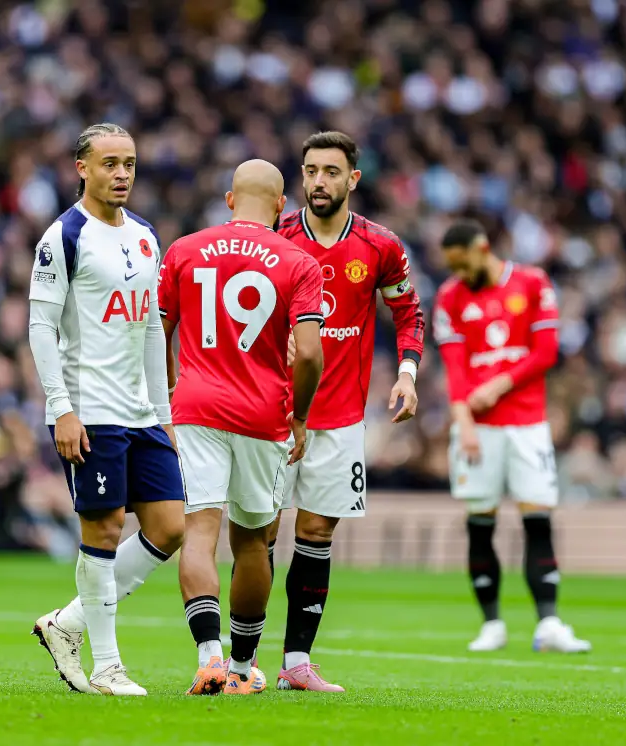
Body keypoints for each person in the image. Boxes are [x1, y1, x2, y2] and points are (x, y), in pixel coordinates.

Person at [262, 131, 425, 692]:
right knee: (258, 531)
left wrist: (407, 374)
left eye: (331, 172)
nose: (319, 182)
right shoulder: (276, 238)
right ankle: (240, 661)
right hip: (272, 414)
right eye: (310, 171)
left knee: (315, 533)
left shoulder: (380, 246)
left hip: (340, 418)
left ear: (353, 179)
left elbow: (409, 315)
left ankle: (295, 664)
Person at [28, 123, 184, 697]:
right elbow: (41, 328)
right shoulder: (63, 237)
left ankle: (66, 623)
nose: (122, 174)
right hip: (88, 407)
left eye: (130, 163)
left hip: (140, 410)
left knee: (170, 526)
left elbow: (149, 328)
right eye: (111, 163)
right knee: (106, 526)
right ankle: (107, 665)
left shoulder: (145, 235)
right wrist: (61, 408)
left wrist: (162, 409)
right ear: (82, 168)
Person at [162, 159, 326, 696]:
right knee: (253, 541)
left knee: (200, 530)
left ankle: (207, 658)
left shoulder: (184, 250)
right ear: (283, 206)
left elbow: (153, 333)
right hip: (262, 414)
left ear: (230, 200)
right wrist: (298, 416)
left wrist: (167, 394)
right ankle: (241, 665)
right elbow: (309, 354)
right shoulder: (299, 261)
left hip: (196, 408)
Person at [433, 219, 590, 653]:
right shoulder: (450, 297)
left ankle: (549, 624)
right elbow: (455, 369)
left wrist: (498, 385)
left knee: (538, 520)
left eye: (464, 264)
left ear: (483, 248)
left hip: (526, 425)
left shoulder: (533, 283)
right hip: (477, 430)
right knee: (479, 524)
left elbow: (546, 352)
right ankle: (492, 624)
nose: (460, 275)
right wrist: (464, 423)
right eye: (453, 267)